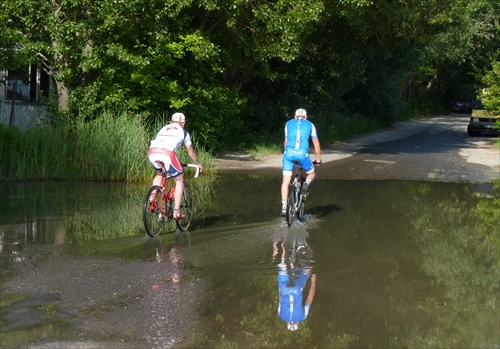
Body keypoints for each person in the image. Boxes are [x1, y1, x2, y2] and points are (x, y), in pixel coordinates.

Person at [148, 112, 203, 218]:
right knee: (179, 181)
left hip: (153, 152)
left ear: (171, 122)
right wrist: (198, 163)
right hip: (167, 154)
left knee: (160, 175)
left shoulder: (164, 128)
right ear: (183, 124)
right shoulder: (184, 132)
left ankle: (152, 195)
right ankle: (177, 211)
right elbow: (191, 152)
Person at [281, 108, 322, 216]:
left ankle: (284, 207)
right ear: (306, 117)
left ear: (295, 117)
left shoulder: (288, 123)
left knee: (286, 180)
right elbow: (316, 145)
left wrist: (287, 153)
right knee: (311, 173)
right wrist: (318, 161)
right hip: (302, 155)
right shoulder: (310, 125)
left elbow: (285, 142)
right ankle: (306, 183)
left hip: (289, 154)